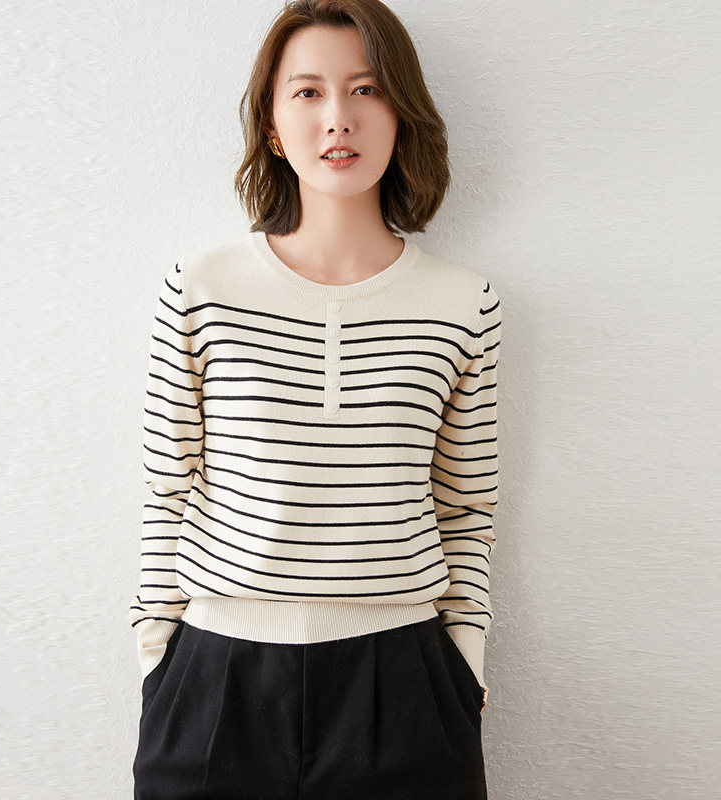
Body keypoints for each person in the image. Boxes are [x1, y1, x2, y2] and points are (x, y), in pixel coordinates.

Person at [130, 1, 501, 798]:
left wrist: (465, 668)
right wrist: (157, 664)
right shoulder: (200, 288)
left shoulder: (464, 303)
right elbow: (167, 489)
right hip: (214, 681)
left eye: (367, 89)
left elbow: (466, 507)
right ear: (271, 125)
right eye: (307, 92)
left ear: (401, 113)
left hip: (404, 680)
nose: (339, 117)